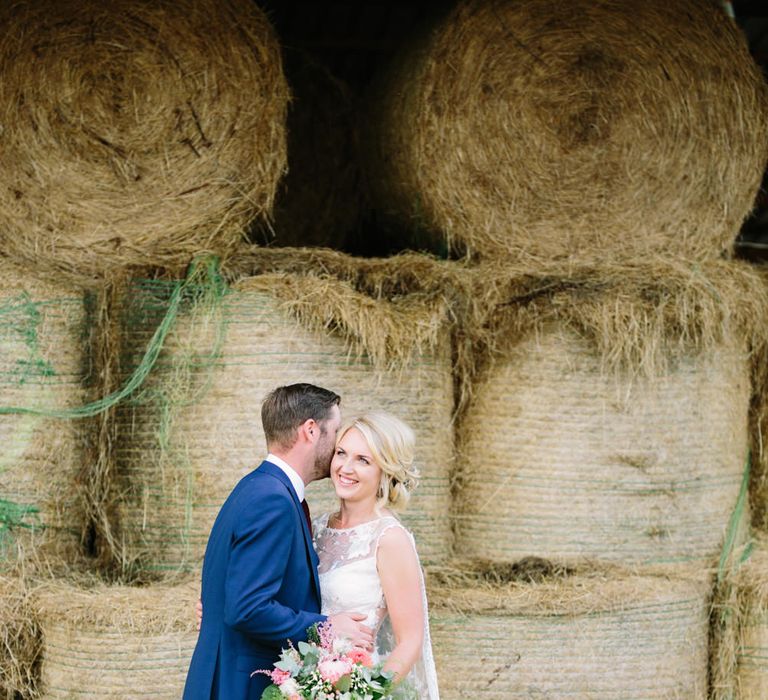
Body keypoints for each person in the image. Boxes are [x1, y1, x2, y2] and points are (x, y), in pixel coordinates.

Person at [183, 383, 374, 700]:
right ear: (311, 430)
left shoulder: (257, 487)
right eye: (336, 430)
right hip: (239, 687)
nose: (338, 445)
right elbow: (247, 608)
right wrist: (326, 628)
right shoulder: (272, 500)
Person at [314, 411, 440, 698]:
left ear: (385, 470)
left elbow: (410, 640)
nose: (346, 467)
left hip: (358, 685)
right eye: (341, 453)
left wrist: (366, 694)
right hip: (302, 683)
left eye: (363, 460)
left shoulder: (390, 539)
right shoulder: (315, 527)